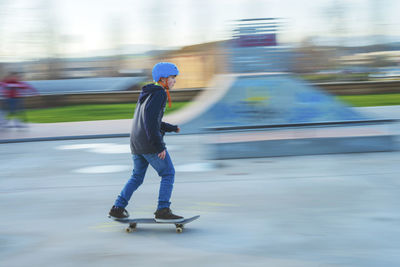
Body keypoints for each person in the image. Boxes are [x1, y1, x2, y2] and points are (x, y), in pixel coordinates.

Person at [109, 62, 184, 222]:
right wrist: (159, 146)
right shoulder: (160, 94)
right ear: (163, 78)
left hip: (136, 143)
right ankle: (163, 209)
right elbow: (150, 123)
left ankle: (118, 208)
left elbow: (150, 120)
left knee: (137, 177)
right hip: (149, 144)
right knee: (168, 173)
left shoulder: (148, 93)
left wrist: (171, 128)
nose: (174, 81)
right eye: (172, 78)